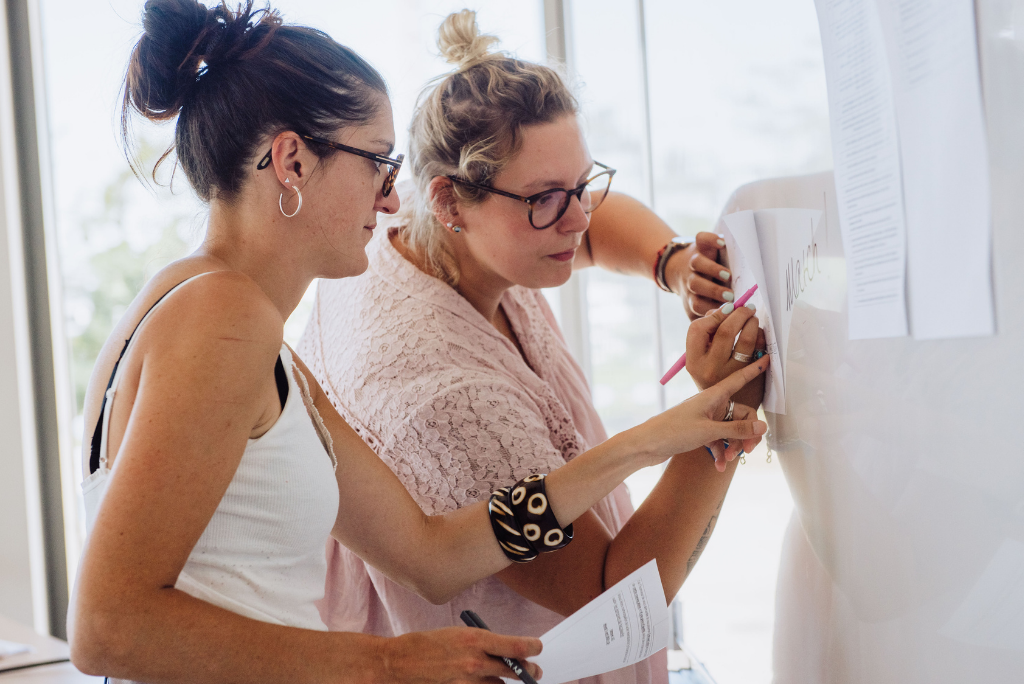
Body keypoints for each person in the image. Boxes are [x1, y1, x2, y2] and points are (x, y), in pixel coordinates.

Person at [67, 2, 768, 684]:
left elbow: (431, 553)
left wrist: (652, 440)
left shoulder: (226, 317)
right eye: (377, 161)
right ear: (292, 162)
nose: (389, 198)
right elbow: (107, 630)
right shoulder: (222, 321)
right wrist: (390, 664)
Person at [297, 10, 768, 684]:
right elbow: (611, 593)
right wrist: (720, 413)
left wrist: (672, 259)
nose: (575, 219)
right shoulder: (440, 396)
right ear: (451, 201)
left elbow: (588, 219)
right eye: (547, 199)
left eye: (581, 184)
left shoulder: (409, 227)